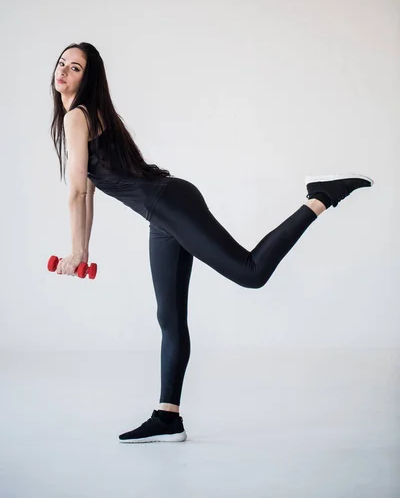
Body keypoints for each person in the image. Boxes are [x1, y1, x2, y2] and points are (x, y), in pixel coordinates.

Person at [50, 42, 374, 444]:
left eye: (75, 67)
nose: (63, 71)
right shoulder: (83, 115)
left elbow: (77, 193)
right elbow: (90, 193)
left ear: (88, 77)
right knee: (169, 317)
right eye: (61, 63)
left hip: (169, 203)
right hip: (162, 214)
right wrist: (84, 248)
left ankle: (321, 197)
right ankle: (168, 417)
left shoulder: (78, 116)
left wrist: (78, 251)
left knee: (250, 273)